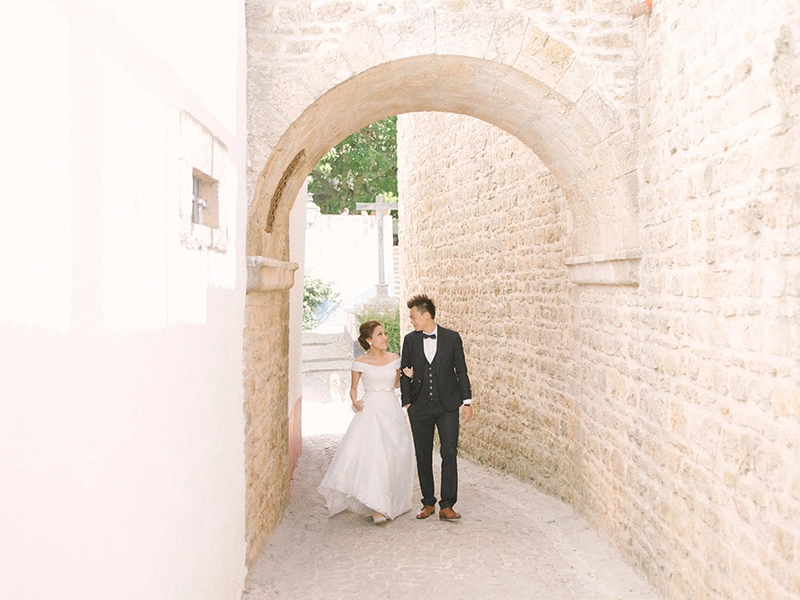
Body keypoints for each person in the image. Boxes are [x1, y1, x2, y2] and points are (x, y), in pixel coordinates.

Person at [317, 320, 415, 524]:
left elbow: (396, 384)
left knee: (396, 455)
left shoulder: (395, 359)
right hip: (371, 410)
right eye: (379, 334)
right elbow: (353, 388)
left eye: (384, 333)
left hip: (391, 408)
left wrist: (408, 377)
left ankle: (392, 499)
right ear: (369, 340)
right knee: (375, 457)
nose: (385, 337)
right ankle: (376, 506)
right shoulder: (360, 362)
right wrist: (355, 401)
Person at [400, 294, 472, 521]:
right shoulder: (410, 340)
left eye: (413, 316)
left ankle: (447, 505)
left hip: (447, 406)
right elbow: (404, 372)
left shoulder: (452, 338)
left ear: (426, 315)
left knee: (449, 452)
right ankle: (428, 502)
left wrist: (467, 402)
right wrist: (407, 401)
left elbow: (461, 370)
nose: (411, 320)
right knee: (422, 454)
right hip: (419, 407)